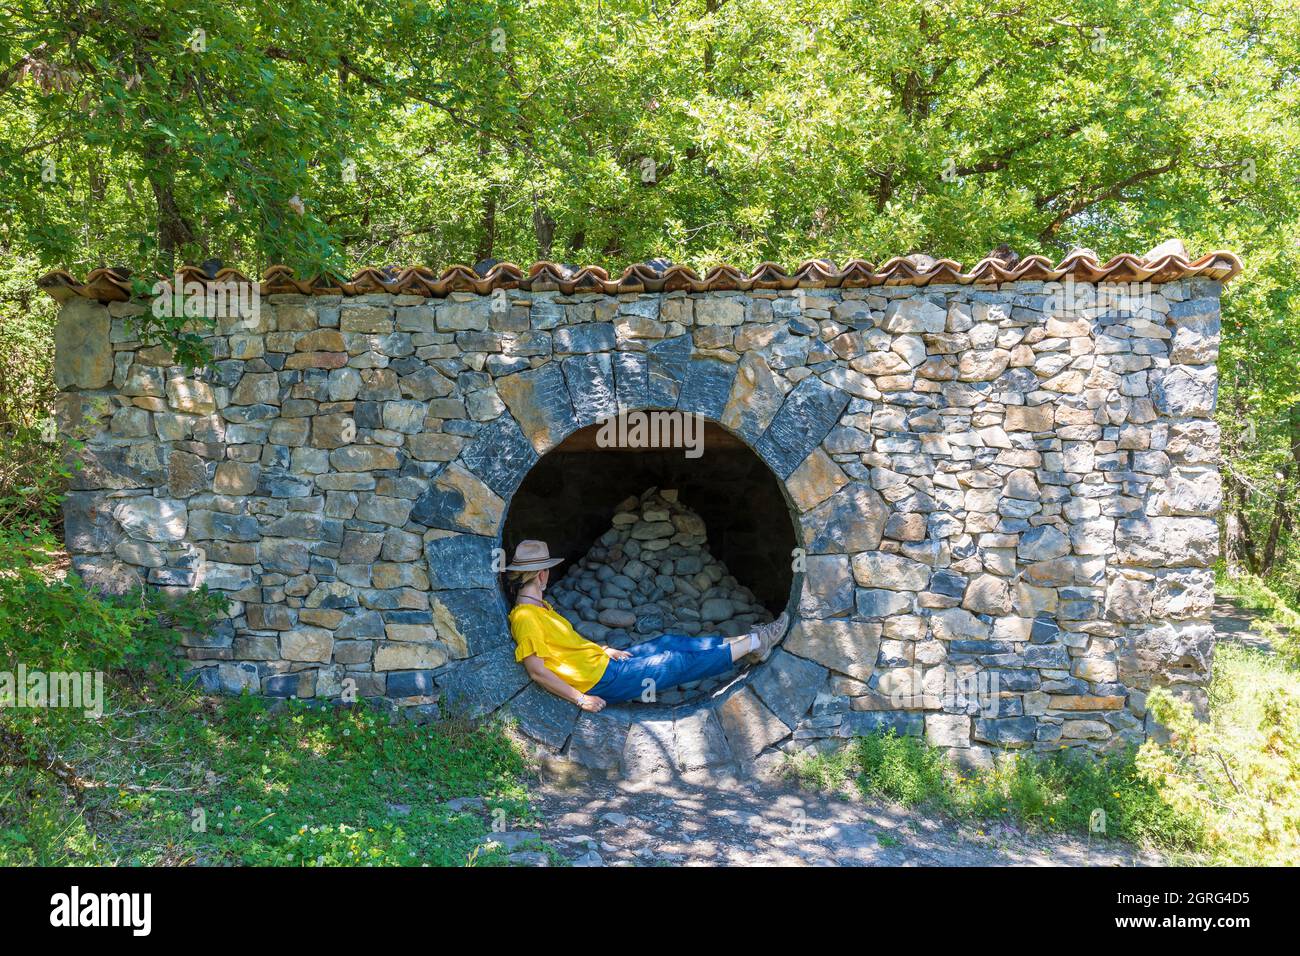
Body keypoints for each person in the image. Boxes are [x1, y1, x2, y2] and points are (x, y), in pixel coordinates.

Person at [503, 539, 788, 713]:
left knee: (667, 642)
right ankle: (756, 642)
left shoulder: (542, 608)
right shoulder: (526, 616)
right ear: (542, 575)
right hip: (601, 681)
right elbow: (537, 670)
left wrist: (603, 649)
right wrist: (581, 699)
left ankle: (749, 643)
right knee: (673, 662)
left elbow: (564, 648)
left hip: (603, 665)